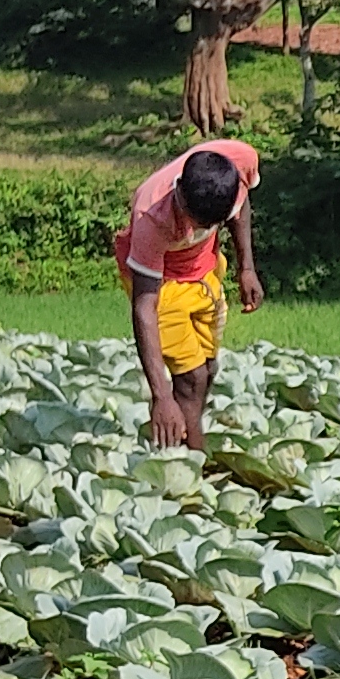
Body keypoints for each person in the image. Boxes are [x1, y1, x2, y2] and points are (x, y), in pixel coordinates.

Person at [120, 138, 265, 448]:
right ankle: (194, 464)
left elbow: (241, 206)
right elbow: (144, 306)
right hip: (163, 283)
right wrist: (161, 396)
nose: (194, 227)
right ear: (180, 194)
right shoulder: (152, 217)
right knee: (191, 379)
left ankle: (180, 431)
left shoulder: (241, 161)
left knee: (208, 368)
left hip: (204, 268)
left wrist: (246, 268)